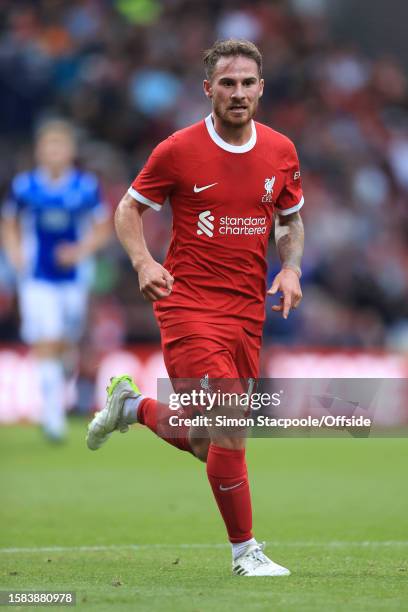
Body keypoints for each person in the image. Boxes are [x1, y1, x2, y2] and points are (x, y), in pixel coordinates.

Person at [87, 39, 304, 576]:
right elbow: (128, 209)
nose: (238, 93)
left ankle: (132, 408)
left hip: (246, 313)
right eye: (227, 83)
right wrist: (142, 262)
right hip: (188, 307)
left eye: (247, 83)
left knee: (211, 442)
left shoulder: (281, 150)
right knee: (232, 427)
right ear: (208, 89)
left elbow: (291, 220)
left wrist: (292, 268)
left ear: (261, 88)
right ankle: (245, 552)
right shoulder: (178, 150)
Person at [2, 119, 111, 441]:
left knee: (65, 345)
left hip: (73, 279)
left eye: (59, 146)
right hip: (37, 277)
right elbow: (9, 221)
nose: (54, 152)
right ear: (39, 151)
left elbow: (103, 227)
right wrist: (15, 253)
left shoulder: (85, 187)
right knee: (46, 340)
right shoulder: (25, 187)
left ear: (69, 151)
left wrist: (80, 250)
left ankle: (57, 389)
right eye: (49, 146)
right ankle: (52, 418)